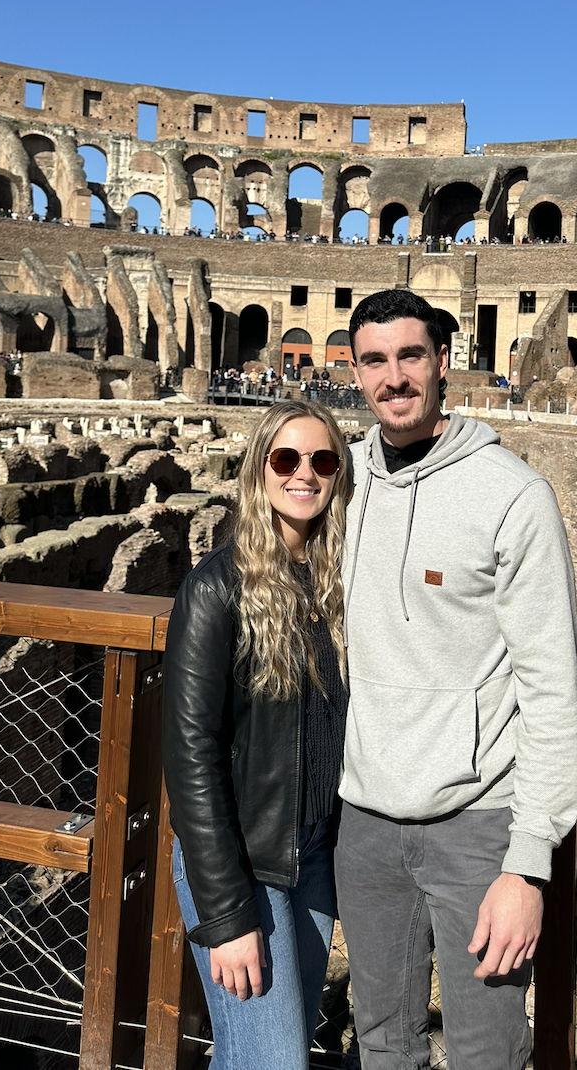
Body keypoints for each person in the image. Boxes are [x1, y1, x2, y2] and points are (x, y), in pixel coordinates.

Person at [336, 288, 577, 1069]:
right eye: (375, 360)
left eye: (411, 356)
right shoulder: (339, 483)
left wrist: (528, 864)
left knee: (486, 1052)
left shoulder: (513, 494)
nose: (394, 377)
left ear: (444, 362)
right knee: (381, 1042)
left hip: (479, 828)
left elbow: (550, 688)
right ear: (356, 372)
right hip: (364, 818)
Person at [162, 401, 352, 1070]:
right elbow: (190, 755)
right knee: (269, 1062)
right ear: (258, 471)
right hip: (244, 864)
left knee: (264, 1055)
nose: (305, 474)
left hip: (314, 858)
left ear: (338, 476)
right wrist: (226, 913)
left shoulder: (332, 585)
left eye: (322, 461)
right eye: (287, 459)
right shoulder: (216, 589)